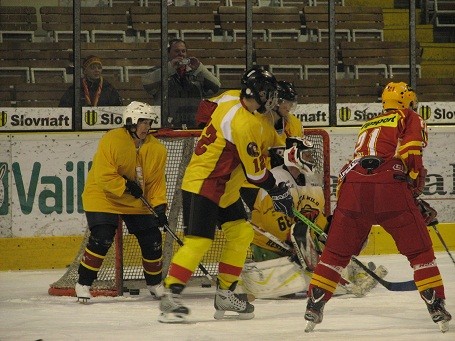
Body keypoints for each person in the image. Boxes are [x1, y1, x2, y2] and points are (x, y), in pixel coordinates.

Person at [303, 82, 452, 333]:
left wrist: (342, 212)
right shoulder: (409, 116)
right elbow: (411, 154)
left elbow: (351, 169)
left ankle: (314, 305)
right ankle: (435, 305)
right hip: (390, 187)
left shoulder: (369, 124)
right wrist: (413, 192)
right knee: (420, 253)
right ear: (408, 101)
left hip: (352, 187)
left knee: (334, 255)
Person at [158, 67, 294, 323]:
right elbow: (256, 176)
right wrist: (277, 190)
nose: (273, 99)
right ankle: (170, 297)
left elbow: (206, 107)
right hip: (204, 182)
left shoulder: (231, 96)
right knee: (199, 241)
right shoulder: (245, 126)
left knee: (241, 233)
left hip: (224, 187)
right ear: (259, 93)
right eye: (269, 94)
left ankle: (225, 294)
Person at [239, 137, 388, 299]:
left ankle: (352, 271)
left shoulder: (310, 180)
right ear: (293, 155)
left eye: (311, 155)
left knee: (327, 238)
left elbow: (316, 217)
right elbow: (275, 226)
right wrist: (304, 243)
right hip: (269, 248)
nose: (311, 159)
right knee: (300, 254)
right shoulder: (276, 179)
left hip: (299, 244)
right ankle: (342, 275)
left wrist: (326, 232)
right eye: (307, 155)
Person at [75, 101, 168, 302]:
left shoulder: (157, 149)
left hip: (134, 200)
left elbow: (156, 182)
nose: (146, 126)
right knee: (102, 236)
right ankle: (83, 283)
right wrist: (126, 185)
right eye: (142, 121)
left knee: (152, 237)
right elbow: (103, 174)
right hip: (103, 195)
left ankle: (154, 283)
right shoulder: (112, 139)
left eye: (148, 122)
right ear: (131, 122)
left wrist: (160, 207)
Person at [142, 39, 221, 129]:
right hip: (167, 127)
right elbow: (146, 84)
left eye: (183, 51)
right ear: (168, 53)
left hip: (193, 126)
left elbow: (216, 87)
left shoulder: (196, 73)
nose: (181, 54)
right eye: (177, 51)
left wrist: (200, 68)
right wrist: (169, 68)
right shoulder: (159, 71)